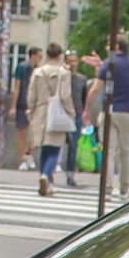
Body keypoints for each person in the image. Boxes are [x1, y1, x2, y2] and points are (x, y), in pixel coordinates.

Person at [92, 34, 129, 200]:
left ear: (116, 47)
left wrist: (87, 108)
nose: (107, 48)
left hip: (110, 110)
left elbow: (96, 88)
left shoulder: (109, 64)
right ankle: (125, 188)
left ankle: (107, 188)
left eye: (109, 45)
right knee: (126, 151)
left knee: (109, 150)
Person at [29, 42, 76, 192]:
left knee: (44, 147)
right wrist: (71, 112)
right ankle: (46, 175)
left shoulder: (38, 72)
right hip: (56, 112)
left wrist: (31, 110)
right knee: (55, 148)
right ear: (60, 55)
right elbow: (65, 95)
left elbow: (31, 95)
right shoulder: (64, 72)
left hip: (40, 110)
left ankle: (44, 179)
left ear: (47, 55)